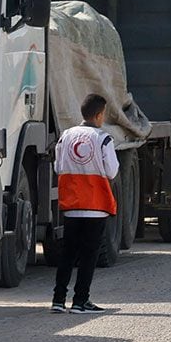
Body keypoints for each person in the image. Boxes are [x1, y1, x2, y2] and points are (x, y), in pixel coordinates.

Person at [53, 93, 117, 314]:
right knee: (89, 255)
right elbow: (112, 171)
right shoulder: (103, 138)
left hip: (71, 205)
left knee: (68, 253)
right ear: (99, 115)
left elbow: (58, 167)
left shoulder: (66, 136)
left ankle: (58, 300)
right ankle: (81, 301)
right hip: (95, 205)